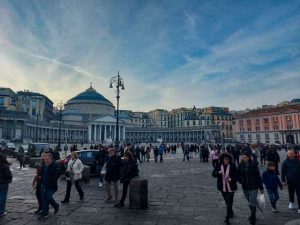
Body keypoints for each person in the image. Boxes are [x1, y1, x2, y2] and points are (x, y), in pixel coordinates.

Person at [238, 152, 264, 225]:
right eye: (243, 157)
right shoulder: (240, 165)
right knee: (249, 201)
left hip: (254, 186)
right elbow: (238, 174)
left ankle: (253, 216)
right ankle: (253, 213)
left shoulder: (253, 165)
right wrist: (240, 180)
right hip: (245, 186)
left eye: (245, 157)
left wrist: (261, 187)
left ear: (248, 158)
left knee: (252, 201)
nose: (244, 159)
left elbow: (258, 176)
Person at [212, 153, 238, 224]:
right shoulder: (219, 165)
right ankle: (231, 211)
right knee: (227, 201)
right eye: (225, 159)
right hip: (222, 187)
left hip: (231, 187)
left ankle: (227, 218)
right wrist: (218, 172)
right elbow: (213, 174)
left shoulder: (232, 166)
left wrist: (231, 179)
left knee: (229, 201)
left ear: (229, 160)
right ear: (222, 160)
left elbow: (237, 176)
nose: (226, 160)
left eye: (227, 159)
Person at [39, 153, 60, 219]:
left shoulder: (54, 165)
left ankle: (56, 206)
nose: (46, 160)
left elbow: (56, 176)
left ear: (50, 159)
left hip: (51, 186)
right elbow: (42, 174)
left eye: (47, 159)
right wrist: (41, 179)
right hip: (43, 185)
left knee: (48, 198)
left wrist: (49, 181)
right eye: (45, 159)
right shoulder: (44, 165)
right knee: (44, 199)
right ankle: (45, 213)